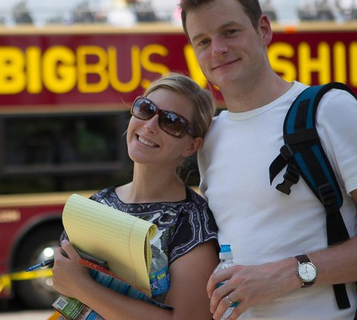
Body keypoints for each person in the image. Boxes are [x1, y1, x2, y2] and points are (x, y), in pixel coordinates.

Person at [179, 0, 357, 319]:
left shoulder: (330, 110)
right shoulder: (210, 138)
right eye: (203, 41)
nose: (217, 49)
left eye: (229, 32)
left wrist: (289, 274)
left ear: (263, 29)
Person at [51, 72, 219, 320]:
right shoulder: (97, 204)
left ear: (191, 146)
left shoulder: (192, 225)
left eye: (172, 122)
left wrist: (82, 287)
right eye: (146, 108)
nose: (149, 126)